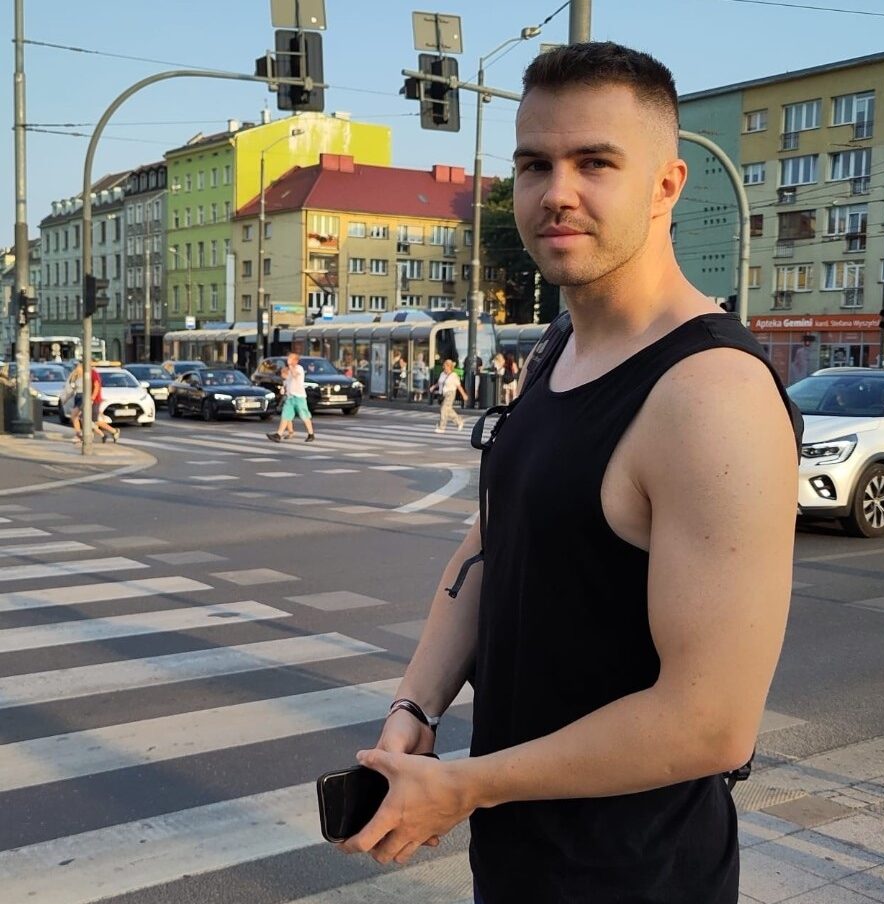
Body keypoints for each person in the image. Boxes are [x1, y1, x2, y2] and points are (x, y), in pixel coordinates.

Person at [339, 42, 800, 904]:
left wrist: (466, 785)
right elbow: (491, 541)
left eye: (594, 163)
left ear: (665, 185)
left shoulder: (710, 395)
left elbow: (709, 723)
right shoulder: (558, 349)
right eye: (534, 164)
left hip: (635, 880)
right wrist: (415, 707)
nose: (556, 192)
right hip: (520, 865)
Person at [267, 352, 314, 443]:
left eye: (290, 358)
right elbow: (287, 381)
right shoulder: (288, 371)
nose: (288, 359)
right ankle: (278, 435)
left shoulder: (299, 368)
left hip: (299, 397)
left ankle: (311, 434)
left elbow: (295, 375)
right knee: (285, 415)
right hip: (290, 397)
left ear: (295, 361)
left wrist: (291, 367)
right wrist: (284, 388)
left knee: (304, 415)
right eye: (288, 358)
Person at [429, 359, 467, 433]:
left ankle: (442, 427)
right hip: (443, 394)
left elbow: (459, 386)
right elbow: (439, 382)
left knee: (443, 409)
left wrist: (464, 395)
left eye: (445, 366)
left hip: (450, 394)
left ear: (449, 367)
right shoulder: (442, 374)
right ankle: (459, 421)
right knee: (448, 410)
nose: (444, 368)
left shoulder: (454, 375)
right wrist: (433, 387)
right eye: (444, 366)